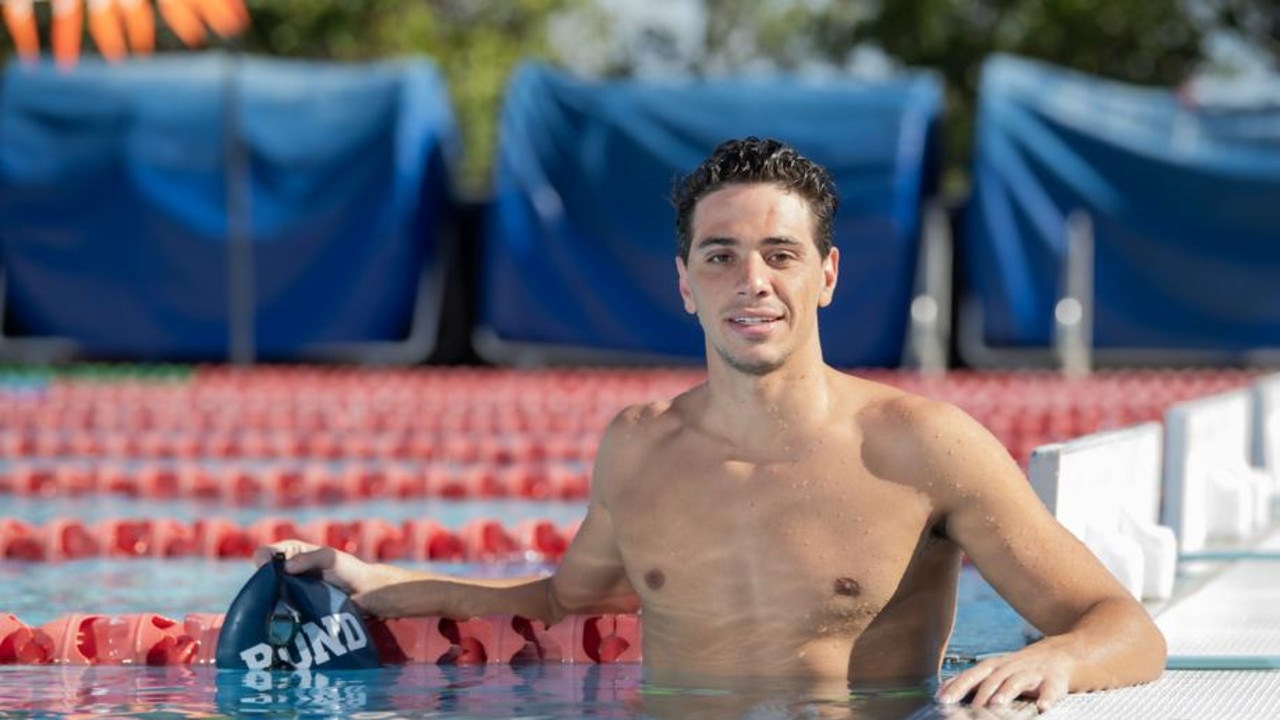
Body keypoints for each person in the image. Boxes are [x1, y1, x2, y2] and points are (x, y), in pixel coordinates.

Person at [256, 136, 1166, 713]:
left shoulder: (920, 445)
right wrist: (381, 583)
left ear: (828, 276)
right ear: (686, 283)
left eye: (781, 255)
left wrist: (1059, 660)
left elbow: (1122, 624)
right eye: (721, 257)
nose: (753, 282)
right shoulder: (640, 445)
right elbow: (566, 602)